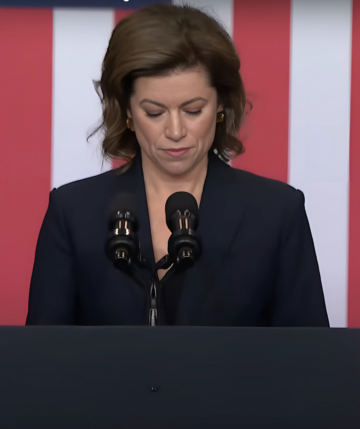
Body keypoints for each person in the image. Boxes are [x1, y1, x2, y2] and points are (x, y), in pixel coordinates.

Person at [25, 3, 329, 327]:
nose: (175, 131)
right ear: (126, 111)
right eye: (154, 112)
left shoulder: (277, 212)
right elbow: (43, 362)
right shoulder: (72, 212)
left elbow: (309, 363)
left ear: (221, 105)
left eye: (193, 110)